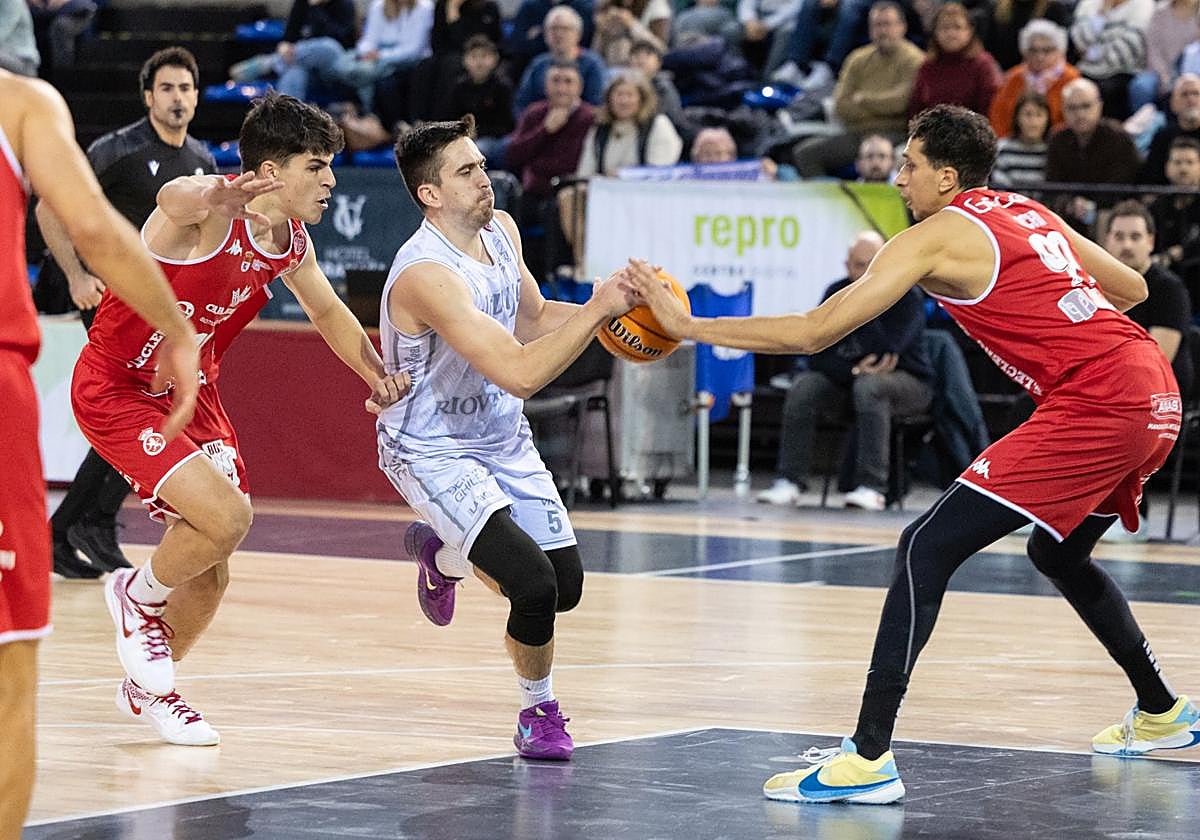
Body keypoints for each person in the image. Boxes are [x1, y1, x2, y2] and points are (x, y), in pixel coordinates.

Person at [629, 104, 1198, 804]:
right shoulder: (1025, 211)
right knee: (1057, 553)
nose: (899, 178)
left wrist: (687, 325)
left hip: (1100, 401)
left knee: (922, 547)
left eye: (910, 166)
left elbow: (814, 331)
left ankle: (868, 757)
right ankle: (1164, 714)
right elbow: (1134, 289)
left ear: (946, 177)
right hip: (1154, 393)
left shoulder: (934, 237)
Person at [72, 92, 410, 748]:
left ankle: (151, 691)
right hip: (118, 389)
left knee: (214, 567)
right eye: (317, 166)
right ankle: (135, 596)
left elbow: (328, 312)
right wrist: (207, 195)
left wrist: (376, 374)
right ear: (273, 171)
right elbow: (173, 200)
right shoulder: (205, 212)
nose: (331, 181)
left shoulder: (290, 241)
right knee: (229, 518)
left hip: (196, 399)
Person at [382, 117, 636, 759]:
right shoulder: (425, 274)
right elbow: (522, 370)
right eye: (465, 171)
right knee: (533, 586)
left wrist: (626, 318)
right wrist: (600, 312)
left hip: (499, 434)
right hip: (431, 444)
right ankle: (539, 713)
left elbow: (533, 317)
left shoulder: (501, 230)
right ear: (430, 194)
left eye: (481, 163)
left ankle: (442, 552)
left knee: (566, 584)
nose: (483, 178)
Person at [0, 68, 200, 840]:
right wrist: (176, 330)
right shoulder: (22, 102)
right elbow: (87, 218)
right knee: (10, 670)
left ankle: (88, 530)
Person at [36, 47, 215, 581]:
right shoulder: (118, 150)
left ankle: (76, 525)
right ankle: (84, 524)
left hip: (162, 311)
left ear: (197, 96)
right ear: (147, 96)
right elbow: (51, 204)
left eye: (186, 88)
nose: (177, 98)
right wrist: (75, 275)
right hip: (112, 302)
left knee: (151, 413)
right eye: (167, 88)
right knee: (133, 412)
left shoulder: (202, 160)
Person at [756, 231, 931, 511]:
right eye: (859, 265)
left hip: (910, 385)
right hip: (848, 380)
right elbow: (817, 351)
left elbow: (887, 349)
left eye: (872, 265)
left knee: (871, 385)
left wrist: (867, 300)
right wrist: (851, 368)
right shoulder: (835, 292)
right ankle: (789, 481)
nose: (864, 273)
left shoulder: (907, 295)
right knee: (805, 387)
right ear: (847, 266)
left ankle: (872, 486)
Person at [1099, 200, 1193, 541]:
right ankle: (1045, 507)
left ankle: (1131, 515)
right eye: (1119, 236)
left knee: (1118, 414)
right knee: (1029, 404)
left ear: (1151, 241)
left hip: (1158, 398)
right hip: (1106, 386)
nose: (1126, 244)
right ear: (1105, 240)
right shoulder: (1095, 285)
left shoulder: (1168, 288)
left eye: (1135, 236)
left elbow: (1159, 358)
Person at [790, 1, 924, 178]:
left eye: (888, 24)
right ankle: (830, 201)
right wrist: (882, 107)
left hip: (895, 133)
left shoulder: (915, 59)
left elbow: (901, 102)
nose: (882, 30)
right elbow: (841, 105)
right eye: (877, 25)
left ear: (902, 27)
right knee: (805, 154)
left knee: (893, 157)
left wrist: (863, 99)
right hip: (857, 134)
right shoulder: (857, 58)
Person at [906, 2, 1002, 119]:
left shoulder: (983, 64)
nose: (951, 34)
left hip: (973, 132)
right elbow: (916, 109)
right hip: (932, 132)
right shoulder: (927, 66)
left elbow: (990, 110)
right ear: (935, 32)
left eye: (957, 27)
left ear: (969, 31)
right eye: (945, 28)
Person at [987, 19, 1079, 138]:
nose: (1039, 56)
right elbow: (998, 116)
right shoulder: (1014, 77)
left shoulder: (1071, 79)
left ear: (1060, 51)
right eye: (1033, 50)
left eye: (1047, 50)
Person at [990, 90, 1049, 188]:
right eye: (1028, 114)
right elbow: (1000, 186)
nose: (1033, 122)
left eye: (1039, 115)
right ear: (1017, 117)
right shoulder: (1002, 148)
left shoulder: (1053, 149)